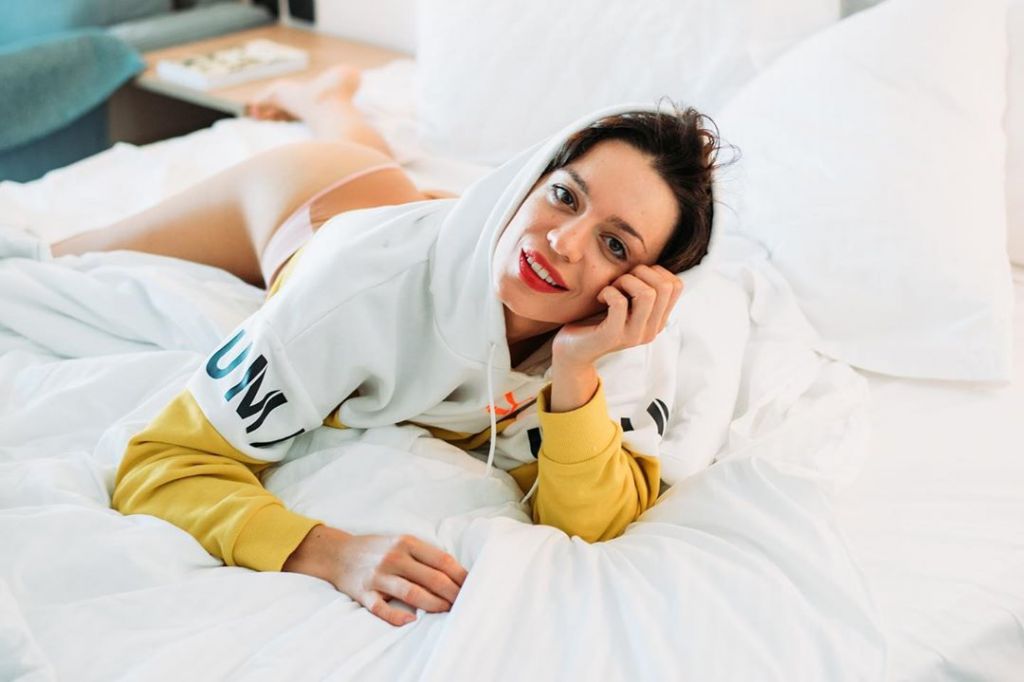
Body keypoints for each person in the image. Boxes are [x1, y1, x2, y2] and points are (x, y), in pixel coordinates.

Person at [54, 66, 720, 627]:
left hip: (432, 223)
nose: (563, 243)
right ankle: (324, 103)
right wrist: (327, 552)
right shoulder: (351, 287)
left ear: (642, 281)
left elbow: (594, 524)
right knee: (71, 252)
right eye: (564, 196)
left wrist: (575, 374)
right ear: (527, 181)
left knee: (391, 177)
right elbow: (159, 462)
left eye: (615, 244)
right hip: (309, 198)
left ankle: (330, 100)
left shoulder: (629, 341)